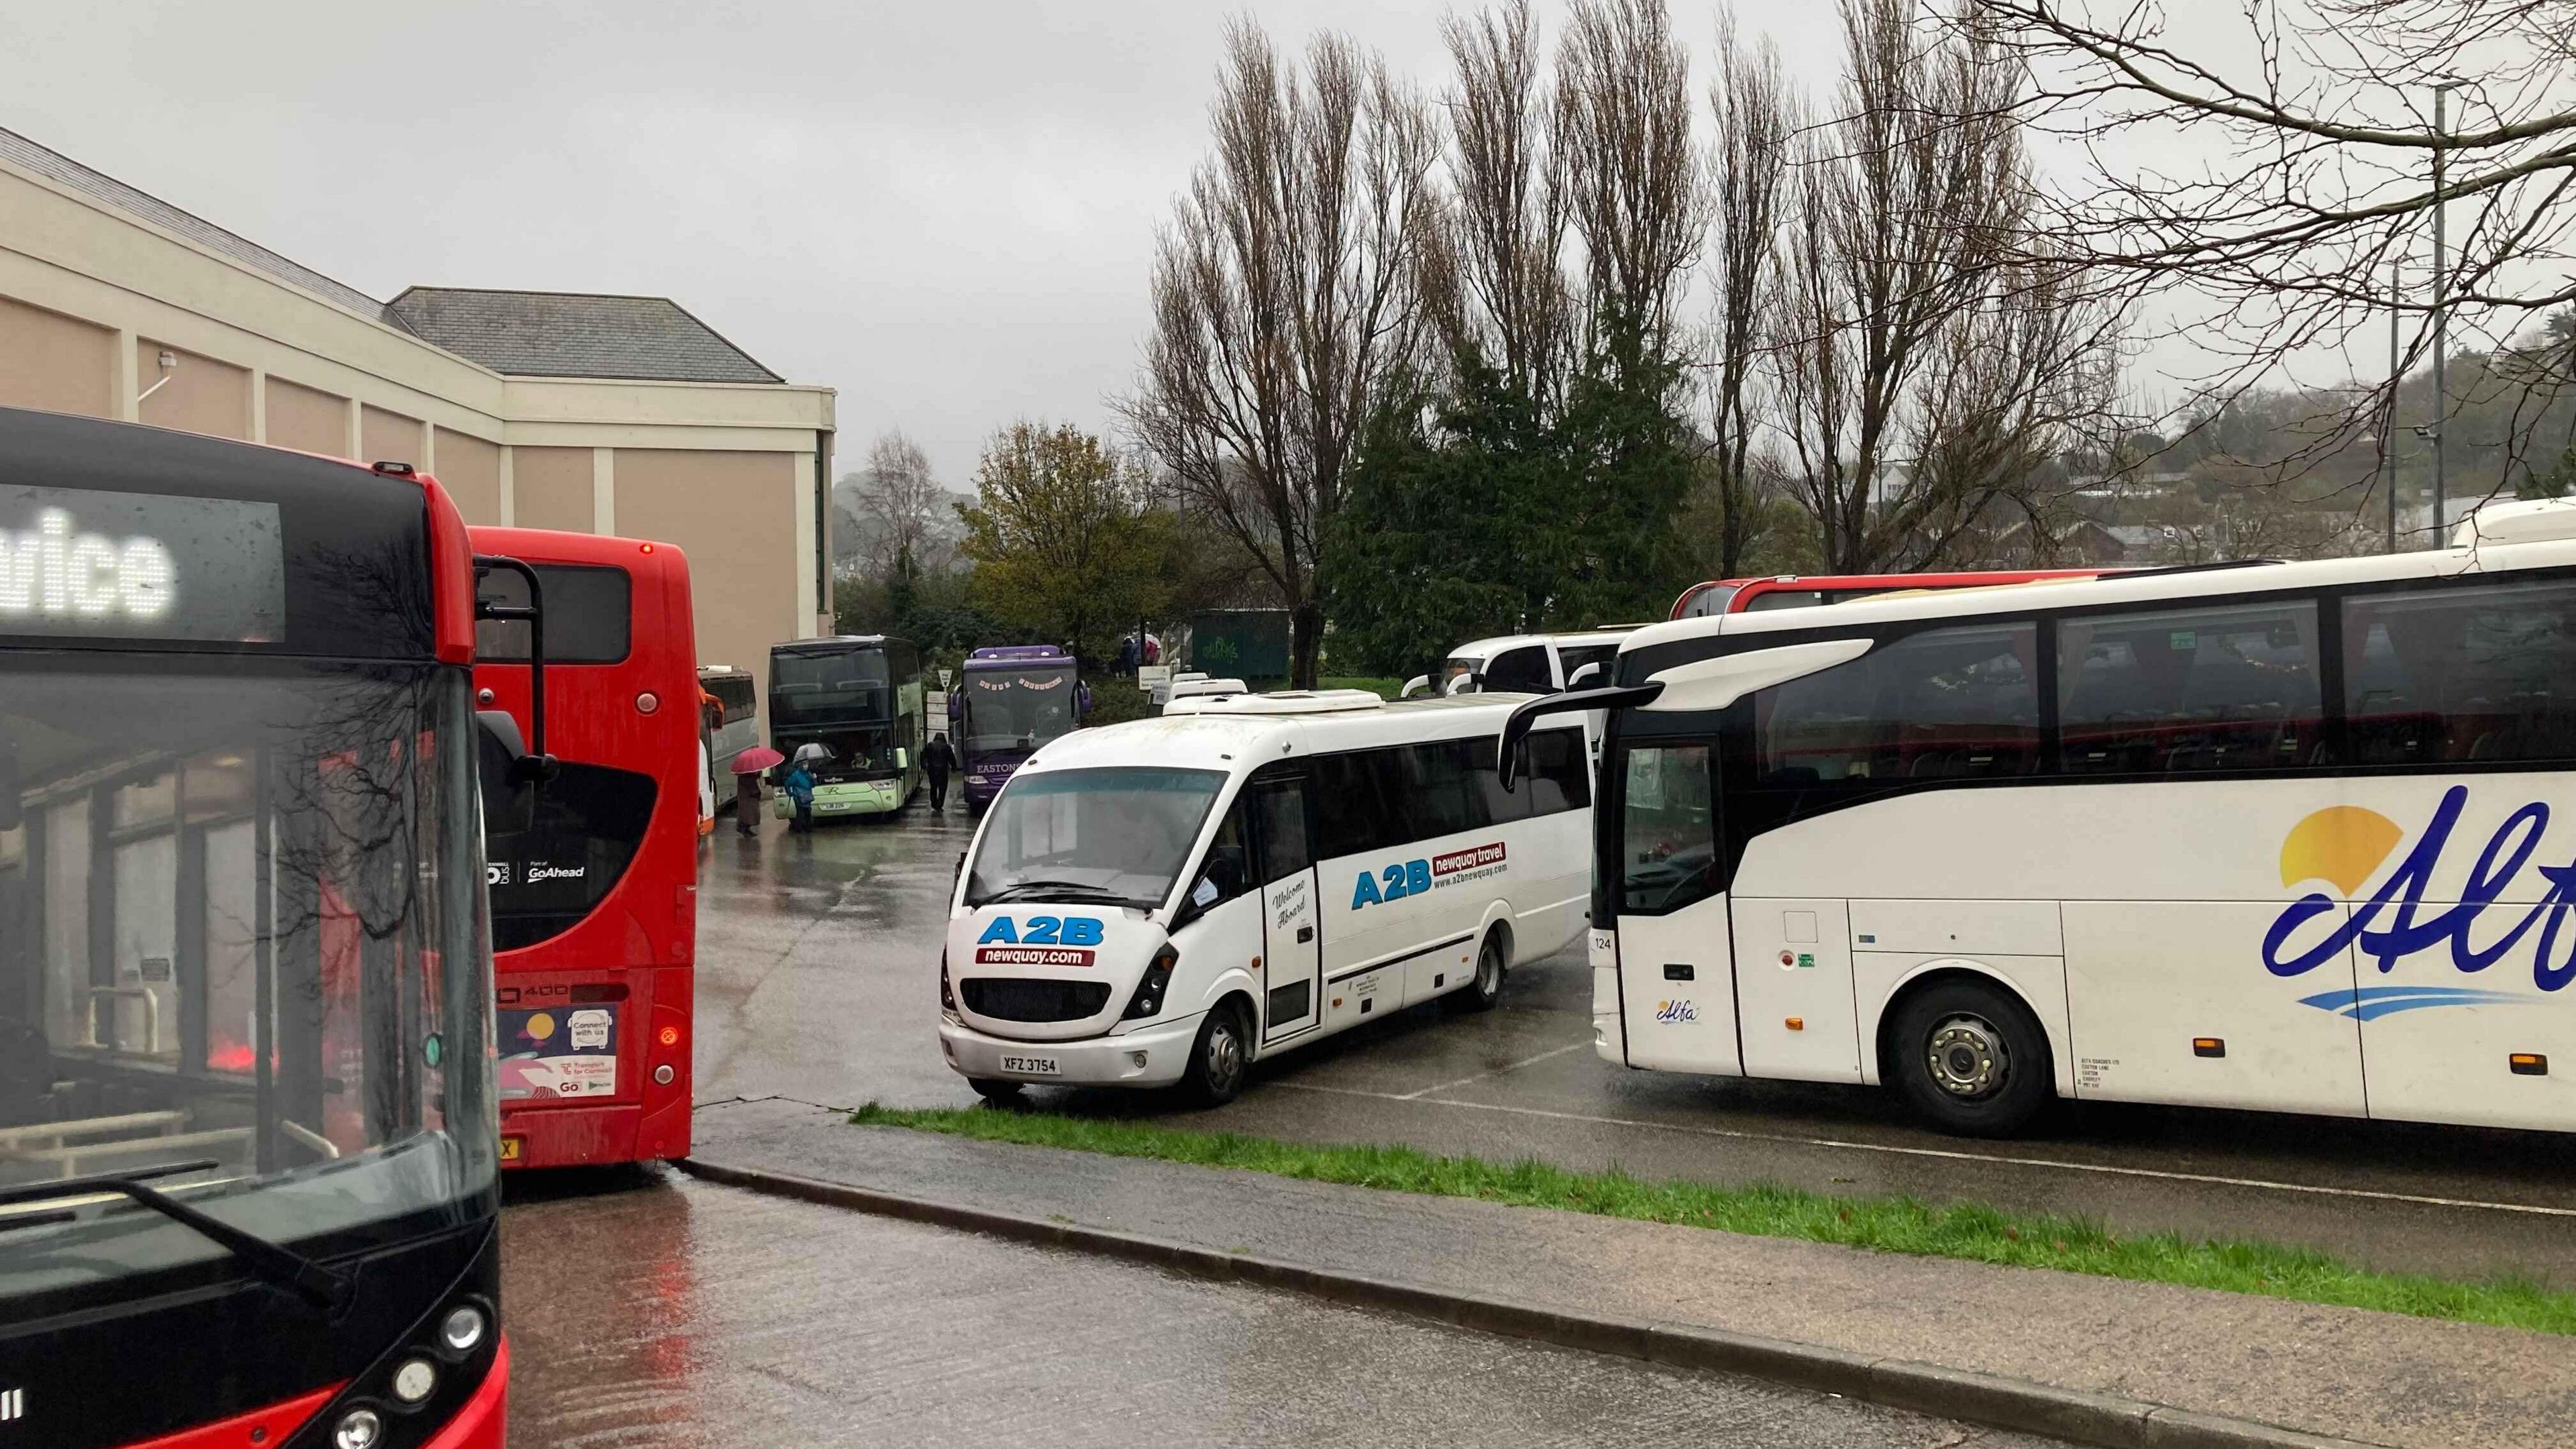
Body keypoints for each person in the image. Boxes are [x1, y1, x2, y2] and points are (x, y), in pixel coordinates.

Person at [924, 731, 957, 812]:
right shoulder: (947, 747)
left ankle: (934, 803)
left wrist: (925, 766)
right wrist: (954, 768)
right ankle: (940, 804)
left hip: (932, 770)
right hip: (943, 771)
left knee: (933, 787)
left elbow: (923, 756)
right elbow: (952, 758)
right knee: (943, 788)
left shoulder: (930, 746)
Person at [783, 759, 816, 833]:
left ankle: (808, 828)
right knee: (800, 813)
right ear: (801, 766)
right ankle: (800, 829)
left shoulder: (809, 774)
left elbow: (814, 785)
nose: (806, 766)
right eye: (804, 765)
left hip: (807, 797)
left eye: (807, 765)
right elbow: (788, 784)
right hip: (798, 797)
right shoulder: (796, 775)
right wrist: (791, 793)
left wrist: (814, 779)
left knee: (808, 813)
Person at [731, 763, 761, 837]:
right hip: (748, 795)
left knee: (748, 813)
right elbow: (749, 782)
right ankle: (744, 829)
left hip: (748, 795)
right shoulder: (745, 774)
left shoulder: (746, 772)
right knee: (748, 813)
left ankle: (745, 828)